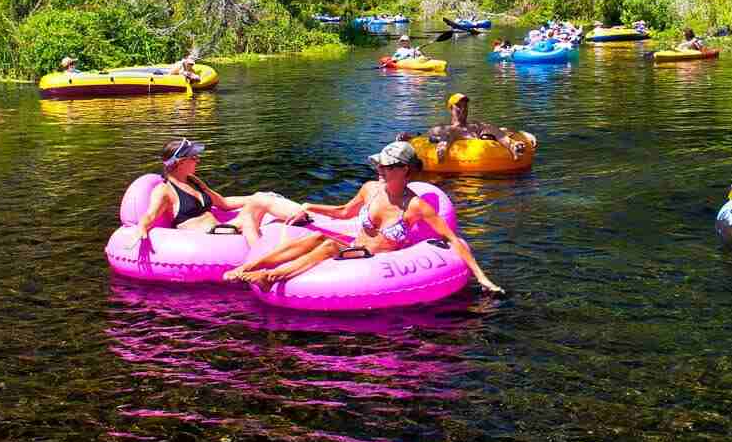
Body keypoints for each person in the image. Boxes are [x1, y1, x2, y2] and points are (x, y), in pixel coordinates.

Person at [225, 141, 503, 293]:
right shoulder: (371, 189)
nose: (380, 170)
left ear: (405, 170)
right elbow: (344, 212)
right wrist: (311, 206)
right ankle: (250, 267)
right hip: (353, 250)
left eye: (386, 167)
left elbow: (452, 240)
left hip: (377, 261)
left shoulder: (416, 206)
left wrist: (481, 278)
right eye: (379, 166)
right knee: (320, 236)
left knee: (330, 245)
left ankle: (271, 276)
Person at [115, 139, 299, 254]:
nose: (198, 160)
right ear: (179, 162)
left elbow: (224, 203)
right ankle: (263, 263)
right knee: (249, 220)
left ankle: (302, 216)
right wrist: (142, 228)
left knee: (260, 199)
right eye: (194, 157)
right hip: (206, 236)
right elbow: (150, 214)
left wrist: (256, 196)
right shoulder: (164, 190)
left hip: (220, 228)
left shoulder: (194, 181)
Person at [410, 92, 526, 159]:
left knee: (486, 126)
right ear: (451, 109)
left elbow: (501, 131)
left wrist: (524, 135)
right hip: (456, 175)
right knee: (451, 132)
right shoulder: (442, 128)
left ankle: (513, 147)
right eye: (459, 106)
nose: (463, 109)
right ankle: (443, 146)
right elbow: (421, 139)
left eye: (465, 106)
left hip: (485, 167)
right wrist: (409, 138)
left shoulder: (476, 125)